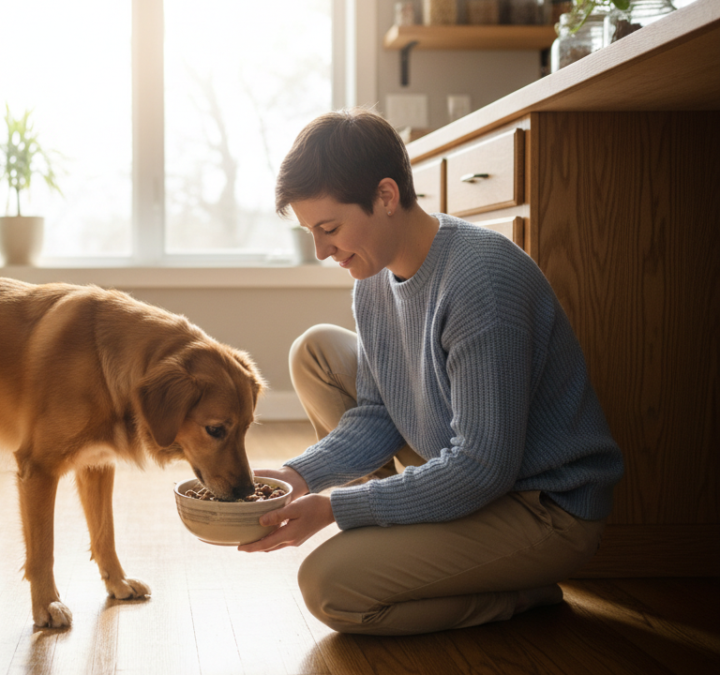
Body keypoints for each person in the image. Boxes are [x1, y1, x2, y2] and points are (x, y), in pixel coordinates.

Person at [239, 107, 624, 636]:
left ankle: (517, 592)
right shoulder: (372, 280)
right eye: (312, 232)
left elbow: (484, 467)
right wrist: (299, 475)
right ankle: (399, 529)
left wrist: (337, 509)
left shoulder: (479, 281)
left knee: (330, 588)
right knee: (317, 350)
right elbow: (377, 416)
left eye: (329, 228)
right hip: (465, 466)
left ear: (386, 197)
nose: (322, 250)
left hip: (542, 508)